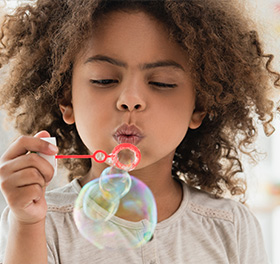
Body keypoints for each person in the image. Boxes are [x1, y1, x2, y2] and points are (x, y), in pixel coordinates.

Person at [0, 0, 279, 263]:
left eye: (161, 83)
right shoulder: (36, 219)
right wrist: (27, 223)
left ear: (199, 107)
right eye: (104, 79)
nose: (130, 99)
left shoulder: (230, 227)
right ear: (66, 100)